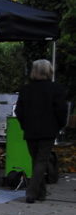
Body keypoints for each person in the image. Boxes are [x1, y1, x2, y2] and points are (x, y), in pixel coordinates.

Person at [14, 59, 67, 204]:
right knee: (41, 160)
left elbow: (19, 110)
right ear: (49, 71)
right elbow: (62, 110)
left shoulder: (26, 89)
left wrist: (25, 125)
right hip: (48, 129)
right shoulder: (56, 89)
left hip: (30, 129)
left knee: (36, 160)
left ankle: (40, 193)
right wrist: (60, 125)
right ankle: (32, 192)